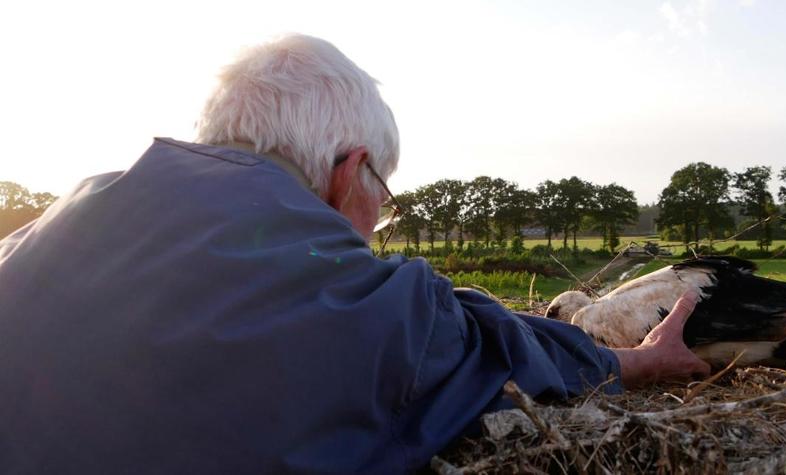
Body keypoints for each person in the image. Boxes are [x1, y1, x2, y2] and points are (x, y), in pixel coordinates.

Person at [0, 34, 709, 473]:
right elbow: (498, 350)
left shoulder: (37, 234)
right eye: (383, 194)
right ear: (351, 170)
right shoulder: (374, 307)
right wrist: (639, 361)